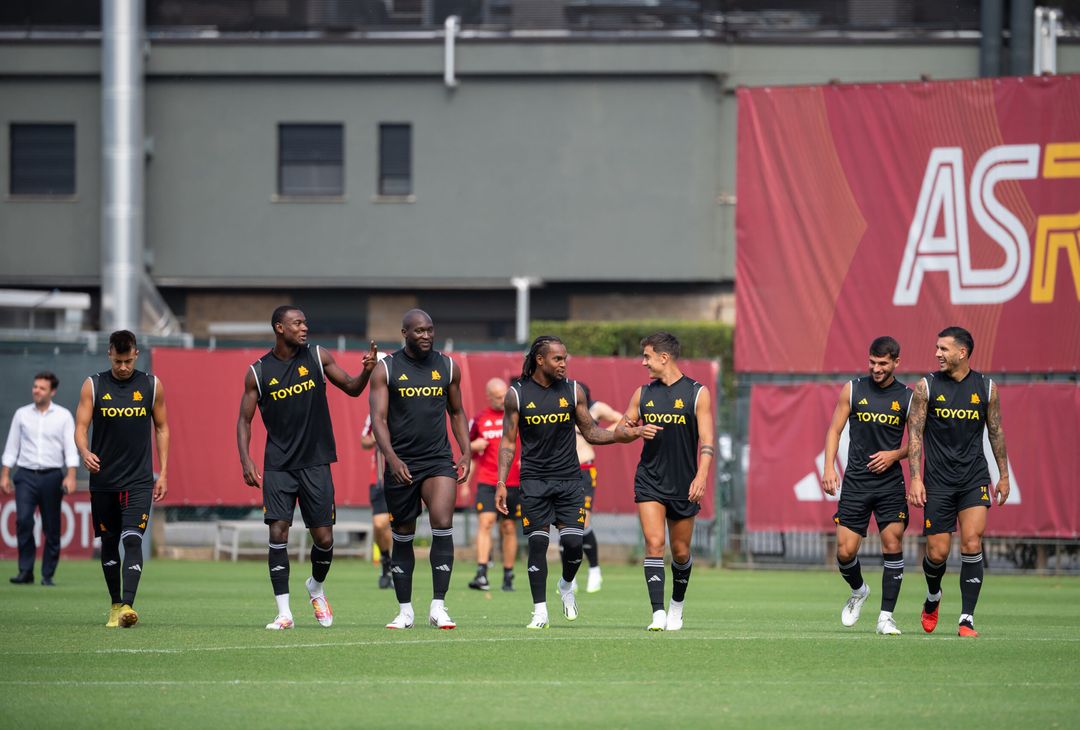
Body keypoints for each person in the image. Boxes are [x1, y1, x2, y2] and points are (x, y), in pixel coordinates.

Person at [237, 306, 377, 630]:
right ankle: (284, 612)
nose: (304, 327)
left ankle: (315, 586)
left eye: (305, 322)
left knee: (324, 538)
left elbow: (354, 387)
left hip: (316, 462)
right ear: (279, 328)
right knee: (277, 532)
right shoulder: (257, 372)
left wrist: (367, 371)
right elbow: (244, 420)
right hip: (279, 466)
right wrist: (246, 458)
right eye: (296, 323)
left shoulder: (317, 356)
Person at [495, 335, 638, 630]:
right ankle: (539, 612)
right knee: (537, 546)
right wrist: (500, 482)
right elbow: (508, 442)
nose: (564, 364)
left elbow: (592, 432)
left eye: (565, 358)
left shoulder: (573, 392)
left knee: (574, 544)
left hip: (570, 481)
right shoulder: (517, 395)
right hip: (533, 482)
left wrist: (622, 435)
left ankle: (566, 585)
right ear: (540, 359)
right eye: (558, 359)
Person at [369, 309, 471, 630]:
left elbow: (456, 412)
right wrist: (392, 458)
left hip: (438, 460)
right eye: (419, 331)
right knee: (403, 534)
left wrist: (465, 451)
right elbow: (379, 420)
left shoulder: (448, 366)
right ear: (404, 334)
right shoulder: (386, 369)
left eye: (430, 330)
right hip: (401, 463)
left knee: (442, 522)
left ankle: (438, 606)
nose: (426, 336)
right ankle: (405, 611)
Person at [907, 326, 1010, 638]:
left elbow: (996, 432)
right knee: (937, 553)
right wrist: (914, 478)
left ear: (962, 353)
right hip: (937, 481)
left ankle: (966, 619)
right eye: (937, 348)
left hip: (973, 478)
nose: (937, 353)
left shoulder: (987, 388)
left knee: (971, 543)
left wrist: (1003, 475)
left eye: (944, 349)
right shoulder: (926, 387)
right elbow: (914, 434)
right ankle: (933, 596)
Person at [615, 332, 714, 631]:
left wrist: (701, 475)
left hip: (685, 483)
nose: (643, 362)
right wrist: (634, 431)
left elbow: (708, 440)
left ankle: (676, 606)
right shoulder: (642, 394)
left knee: (681, 552)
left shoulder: (698, 393)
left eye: (647, 356)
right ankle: (657, 613)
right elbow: (620, 430)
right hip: (650, 480)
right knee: (654, 543)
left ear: (664, 357)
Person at [74, 331, 169, 628]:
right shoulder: (94, 384)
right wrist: (83, 450)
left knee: (132, 539)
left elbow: (162, 428)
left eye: (128, 361)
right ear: (109, 354)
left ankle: (128, 605)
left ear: (136, 355)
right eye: (118, 361)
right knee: (109, 542)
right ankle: (115, 604)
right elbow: (80, 425)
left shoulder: (151, 385)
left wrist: (163, 472)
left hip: (138, 481)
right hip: (103, 481)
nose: (124, 367)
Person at [822, 336, 911, 635]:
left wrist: (894, 455)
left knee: (892, 544)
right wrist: (828, 467)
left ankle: (886, 616)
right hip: (857, 482)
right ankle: (859, 590)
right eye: (872, 362)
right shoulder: (853, 388)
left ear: (896, 363)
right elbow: (834, 430)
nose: (876, 368)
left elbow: (919, 442)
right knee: (845, 552)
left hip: (890, 484)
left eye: (883, 363)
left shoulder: (909, 397)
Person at [2, 372, 79, 586]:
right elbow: (12, 446)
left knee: (51, 526)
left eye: (42, 388)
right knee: (24, 521)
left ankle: (47, 574)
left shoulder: (63, 416)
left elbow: (70, 448)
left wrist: (71, 476)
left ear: (52, 391)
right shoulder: (21, 414)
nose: (37, 390)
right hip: (25, 475)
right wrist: (5, 474)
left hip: (52, 476)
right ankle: (25, 571)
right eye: (35, 386)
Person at [467, 377, 521, 593]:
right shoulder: (480, 419)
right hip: (488, 480)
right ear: (489, 397)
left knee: (508, 527)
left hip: (514, 481)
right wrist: (473, 445)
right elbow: (466, 447)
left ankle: (508, 574)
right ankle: (482, 573)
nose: (502, 400)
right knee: (486, 523)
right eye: (497, 397)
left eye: (504, 395)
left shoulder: (518, 416)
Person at [573, 382, 621, 594]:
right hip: (564, 470)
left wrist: (600, 434)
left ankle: (594, 570)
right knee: (566, 523)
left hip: (585, 468)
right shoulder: (564, 409)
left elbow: (621, 419)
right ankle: (570, 575)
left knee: (583, 521)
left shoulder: (596, 408)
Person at [361, 413, 393, 589]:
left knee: (398, 526)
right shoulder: (374, 415)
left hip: (403, 477)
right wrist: (374, 438)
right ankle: (386, 560)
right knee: (380, 524)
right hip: (380, 479)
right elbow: (364, 441)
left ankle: (396, 569)